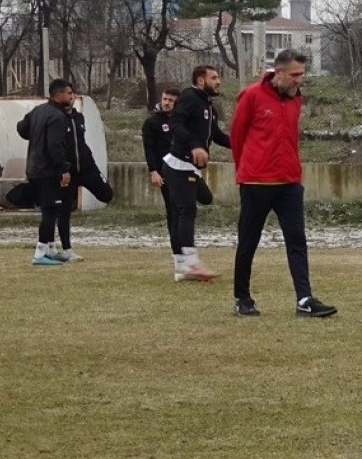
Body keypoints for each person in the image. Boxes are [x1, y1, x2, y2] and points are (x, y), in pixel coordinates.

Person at [229, 49, 337, 318]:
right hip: (256, 182)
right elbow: (237, 136)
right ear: (278, 72)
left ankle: (304, 299)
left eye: (302, 74)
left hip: (289, 181)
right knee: (248, 241)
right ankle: (242, 298)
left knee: (297, 240)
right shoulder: (251, 95)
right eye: (295, 74)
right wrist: (246, 169)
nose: (300, 79)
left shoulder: (295, 99)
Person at [163, 66, 229, 282]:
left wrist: (243, 143)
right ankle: (189, 263)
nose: (218, 81)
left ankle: (183, 265)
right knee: (186, 211)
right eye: (214, 77)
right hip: (179, 165)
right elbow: (175, 122)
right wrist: (194, 145)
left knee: (205, 199)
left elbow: (216, 135)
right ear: (201, 80)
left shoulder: (208, 105)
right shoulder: (189, 97)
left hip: (191, 168)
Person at [16, 79, 86, 265]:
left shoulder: (38, 111)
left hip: (33, 168)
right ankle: (39, 254)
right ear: (59, 94)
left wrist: (36, 134)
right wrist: (64, 168)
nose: (72, 97)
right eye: (69, 94)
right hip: (47, 171)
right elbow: (55, 146)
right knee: (50, 211)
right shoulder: (57, 116)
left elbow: (21, 128)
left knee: (50, 209)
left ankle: (49, 249)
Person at [142, 87, 213, 269]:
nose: (166, 103)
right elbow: (148, 149)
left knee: (205, 197)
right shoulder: (152, 121)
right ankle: (180, 260)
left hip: (187, 169)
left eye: (171, 100)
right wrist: (153, 171)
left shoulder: (184, 120)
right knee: (175, 214)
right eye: (165, 99)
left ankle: (185, 257)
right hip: (168, 172)